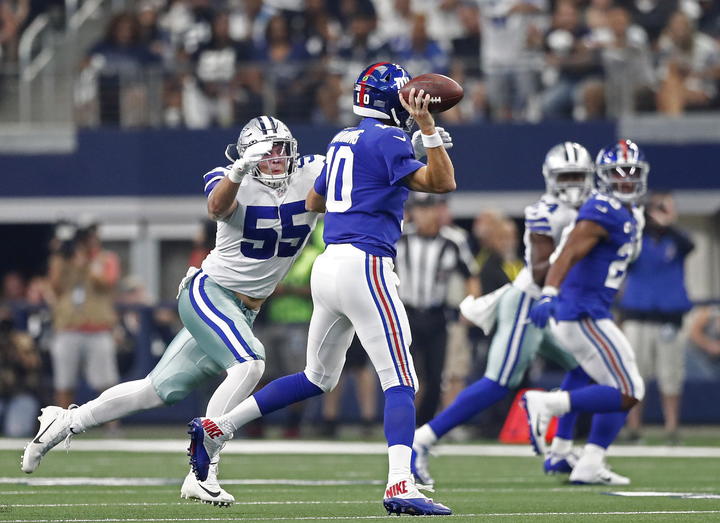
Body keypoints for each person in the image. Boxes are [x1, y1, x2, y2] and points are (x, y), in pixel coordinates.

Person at [187, 62, 456, 516]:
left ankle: (218, 427)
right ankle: (400, 483)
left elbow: (316, 199)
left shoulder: (342, 139)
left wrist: (383, 175)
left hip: (328, 265)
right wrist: (427, 132)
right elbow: (443, 182)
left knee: (318, 377)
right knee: (401, 380)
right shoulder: (390, 139)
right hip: (366, 264)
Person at [21, 116, 325, 508]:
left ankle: (65, 422)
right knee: (250, 364)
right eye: (267, 151)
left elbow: (346, 179)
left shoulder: (313, 171)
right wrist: (238, 171)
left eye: (282, 149)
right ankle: (203, 471)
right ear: (247, 154)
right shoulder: (227, 176)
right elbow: (217, 207)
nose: (276, 157)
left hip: (245, 309)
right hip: (210, 293)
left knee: (156, 390)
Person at [411, 142, 595, 487]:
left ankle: (561, 448)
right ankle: (422, 440)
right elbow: (541, 272)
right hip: (528, 304)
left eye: (577, 177)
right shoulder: (545, 212)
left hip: (547, 305)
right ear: (550, 178)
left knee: (584, 367)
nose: (572, 185)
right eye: (565, 177)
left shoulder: (590, 210)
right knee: (498, 383)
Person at [524, 139, 648, 485]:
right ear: (603, 176)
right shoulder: (603, 209)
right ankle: (547, 405)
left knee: (615, 386)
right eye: (618, 173)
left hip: (591, 311)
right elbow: (567, 253)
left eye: (632, 172)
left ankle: (588, 462)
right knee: (630, 390)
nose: (626, 179)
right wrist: (549, 292)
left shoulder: (626, 211)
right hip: (583, 313)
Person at [396, 192, 479, 426]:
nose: (423, 214)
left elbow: (471, 276)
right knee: (408, 375)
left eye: (428, 208)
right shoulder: (400, 237)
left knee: (436, 376)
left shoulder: (453, 240)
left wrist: (471, 306)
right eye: (419, 209)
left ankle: (424, 425)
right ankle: (403, 425)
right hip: (406, 315)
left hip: (437, 315)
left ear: (437, 210)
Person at [619, 191, 694, 444]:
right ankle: (633, 428)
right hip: (637, 314)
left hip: (669, 318)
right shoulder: (638, 238)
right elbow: (625, 254)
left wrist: (668, 223)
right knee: (635, 374)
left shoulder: (677, 239)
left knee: (671, 376)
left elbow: (689, 246)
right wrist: (643, 219)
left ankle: (671, 428)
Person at [47, 221, 121, 410]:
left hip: (98, 328)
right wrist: (61, 255)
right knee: (64, 382)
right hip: (68, 327)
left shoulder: (105, 258)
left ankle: (111, 423)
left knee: (106, 382)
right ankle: (62, 420)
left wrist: (87, 262)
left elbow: (107, 282)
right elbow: (55, 285)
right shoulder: (63, 259)